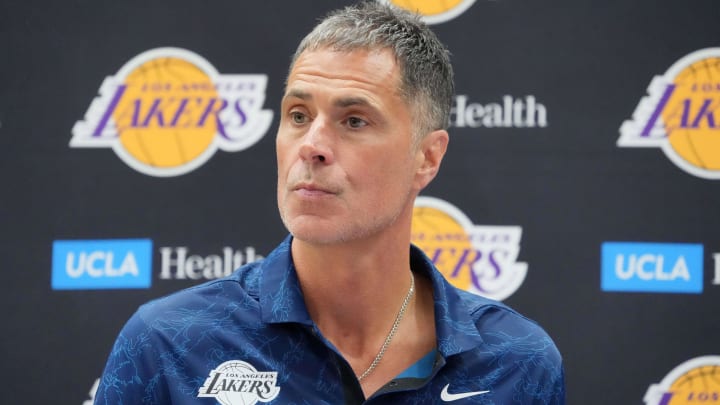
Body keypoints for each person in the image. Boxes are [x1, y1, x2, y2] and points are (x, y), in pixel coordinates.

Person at [94, 2, 565, 404]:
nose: (311, 144)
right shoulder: (168, 343)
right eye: (298, 115)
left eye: (354, 120)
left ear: (427, 156)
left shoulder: (516, 363)